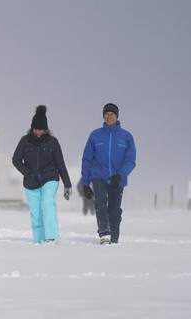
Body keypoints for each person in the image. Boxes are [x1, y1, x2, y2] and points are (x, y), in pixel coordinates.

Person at [12, 105, 72, 244]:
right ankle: (38, 239)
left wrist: (67, 184)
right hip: (31, 181)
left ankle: (51, 237)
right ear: (32, 128)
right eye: (35, 129)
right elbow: (16, 159)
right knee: (36, 213)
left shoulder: (53, 142)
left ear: (46, 129)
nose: (38, 132)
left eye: (41, 129)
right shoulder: (25, 141)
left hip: (49, 178)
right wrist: (27, 172)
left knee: (47, 204)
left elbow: (60, 164)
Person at [81, 103, 136, 245]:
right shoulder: (95, 135)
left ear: (116, 116)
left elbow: (130, 160)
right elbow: (87, 159)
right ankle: (104, 233)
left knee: (114, 210)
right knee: (100, 203)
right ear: (103, 116)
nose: (109, 116)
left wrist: (121, 174)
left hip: (117, 178)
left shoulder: (126, 137)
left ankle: (114, 237)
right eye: (106, 114)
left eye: (112, 114)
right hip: (98, 175)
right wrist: (85, 183)